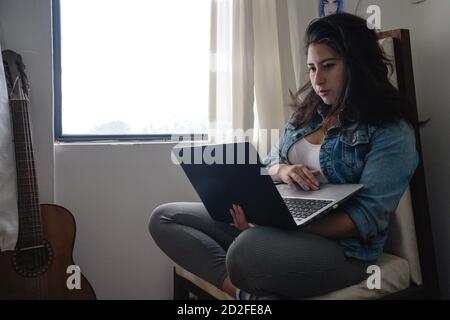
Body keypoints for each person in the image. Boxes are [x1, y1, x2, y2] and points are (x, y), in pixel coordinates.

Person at [149, 13, 422, 299]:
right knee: (165, 217)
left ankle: (254, 274)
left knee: (246, 251)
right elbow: (267, 164)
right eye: (312, 68)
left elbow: (365, 218)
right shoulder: (307, 114)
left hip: (344, 250)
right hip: (276, 224)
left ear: (357, 64)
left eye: (328, 66)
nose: (317, 79)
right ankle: (245, 294)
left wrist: (288, 226)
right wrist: (282, 171)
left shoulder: (392, 132)